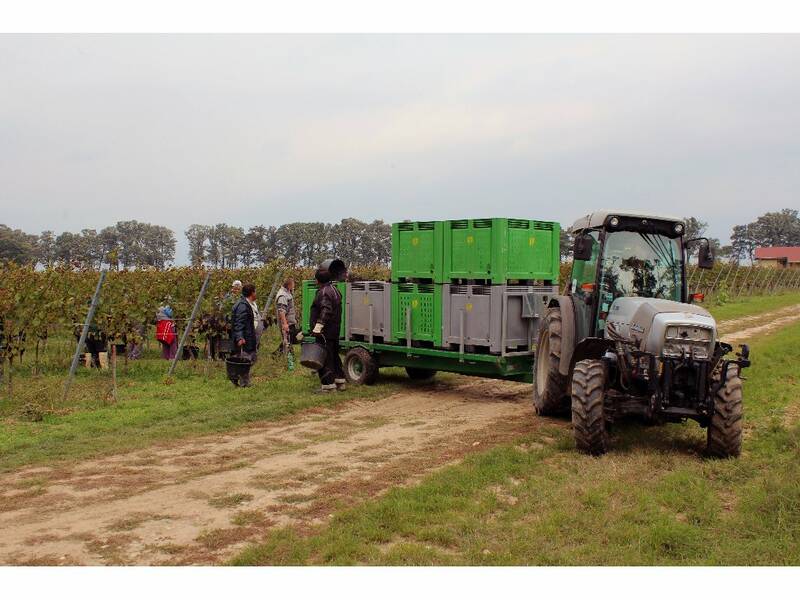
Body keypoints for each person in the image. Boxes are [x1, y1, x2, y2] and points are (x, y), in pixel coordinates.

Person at [309, 259, 347, 393]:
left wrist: (318, 326)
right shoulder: (335, 290)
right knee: (334, 356)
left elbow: (326, 310)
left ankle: (328, 386)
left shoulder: (324, 292)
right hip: (334, 331)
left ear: (318, 281)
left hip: (324, 332)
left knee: (324, 358)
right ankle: (340, 382)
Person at [229, 283, 258, 387]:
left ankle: (242, 381)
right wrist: (240, 337)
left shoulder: (244, 303)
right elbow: (239, 323)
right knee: (246, 360)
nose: (256, 294)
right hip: (246, 338)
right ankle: (241, 381)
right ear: (251, 293)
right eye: (255, 291)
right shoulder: (242, 306)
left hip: (248, 336)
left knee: (248, 359)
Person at [274, 277, 302, 357]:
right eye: (293, 284)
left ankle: (277, 355)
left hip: (290, 322)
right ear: (289, 285)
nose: (294, 286)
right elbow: (281, 311)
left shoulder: (287, 293)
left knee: (290, 339)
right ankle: (285, 359)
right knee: (289, 340)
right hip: (287, 322)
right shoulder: (283, 295)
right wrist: (285, 324)